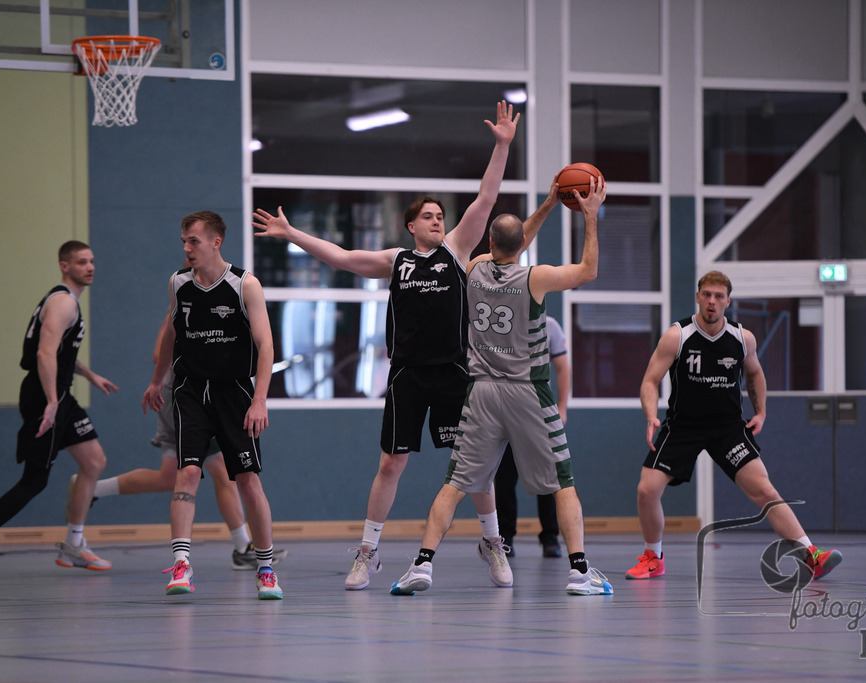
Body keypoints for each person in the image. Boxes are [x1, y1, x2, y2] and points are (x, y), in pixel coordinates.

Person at [253, 100, 521, 591]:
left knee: (472, 464)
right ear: (411, 224)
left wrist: (501, 146)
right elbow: (340, 257)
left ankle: (493, 542)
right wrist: (292, 234)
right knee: (391, 463)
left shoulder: (458, 252)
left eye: (442, 215)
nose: (439, 221)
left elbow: (486, 198)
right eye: (430, 216)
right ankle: (368, 552)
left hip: (453, 374)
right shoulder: (395, 260)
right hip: (406, 374)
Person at [390, 174, 614, 596]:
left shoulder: (471, 269)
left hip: (482, 392)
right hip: (528, 390)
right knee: (562, 483)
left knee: (454, 484)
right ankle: (580, 571)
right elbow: (588, 270)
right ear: (520, 248)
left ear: (489, 243)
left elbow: (510, 239)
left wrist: (546, 205)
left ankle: (422, 564)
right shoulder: (536, 278)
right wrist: (589, 217)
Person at [625, 270, 843, 582]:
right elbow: (649, 381)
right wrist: (650, 415)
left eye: (718, 296)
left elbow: (755, 374)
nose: (712, 301)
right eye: (707, 295)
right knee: (647, 490)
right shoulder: (678, 335)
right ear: (698, 297)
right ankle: (653, 557)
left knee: (764, 490)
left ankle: (811, 556)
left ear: (728, 301)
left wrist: (761, 412)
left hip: (727, 428)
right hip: (682, 426)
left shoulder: (743, 338)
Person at [142, 211, 283, 600]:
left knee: (247, 480)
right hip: (189, 389)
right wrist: (157, 380)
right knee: (187, 473)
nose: (186, 248)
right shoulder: (178, 283)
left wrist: (259, 401)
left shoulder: (244, 285)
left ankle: (266, 566)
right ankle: (182, 564)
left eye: (194, 241)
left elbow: (266, 346)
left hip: (235, 392)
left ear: (215, 242)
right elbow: (171, 334)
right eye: (184, 241)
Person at [72, 317, 287, 571]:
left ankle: (91, 489)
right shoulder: (182, 296)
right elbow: (158, 353)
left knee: (175, 477)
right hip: (184, 397)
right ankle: (241, 548)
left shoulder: (220, 295)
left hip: (203, 396)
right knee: (216, 472)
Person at [0, 241, 115, 580]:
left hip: (59, 395)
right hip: (44, 397)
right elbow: (44, 354)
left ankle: (74, 545)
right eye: (82, 262)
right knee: (34, 481)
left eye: (92, 261)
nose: (90, 267)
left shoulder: (65, 301)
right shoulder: (63, 302)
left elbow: (59, 353)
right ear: (65, 266)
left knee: (94, 461)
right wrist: (51, 402)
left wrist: (89, 375)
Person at [495, 315, 568, 558]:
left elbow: (562, 366)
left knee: (547, 477)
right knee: (504, 479)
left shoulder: (550, 325)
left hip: (537, 413)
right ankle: (505, 537)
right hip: (505, 411)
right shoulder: (503, 321)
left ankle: (550, 537)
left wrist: (562, 406)